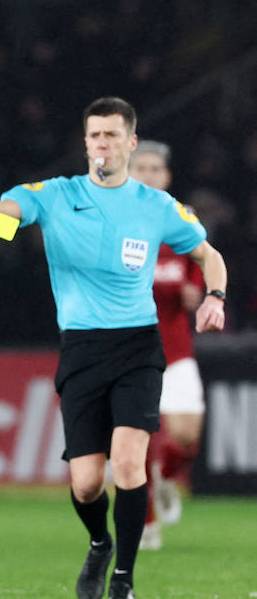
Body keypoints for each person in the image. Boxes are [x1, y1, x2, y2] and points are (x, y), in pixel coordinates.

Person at [0, 97, 227, 599]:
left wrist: (215, 297)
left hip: (138, 346)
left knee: (129, 467)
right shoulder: (57, 195)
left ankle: (124, 580)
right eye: (93, 136)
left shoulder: (155, 206)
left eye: (111, 136)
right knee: (86, 484)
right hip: (82, 350)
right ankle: (100, 543)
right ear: (85, 143)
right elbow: (8, 218)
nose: (101, 145)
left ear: (130, 142)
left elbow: (208, 254)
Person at [128, 140, 210, 549]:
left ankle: (165, 477)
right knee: (134, 438)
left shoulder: (182, 222)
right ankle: (146, 523)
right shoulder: (118, 221)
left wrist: (200, 292)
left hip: (176, 347)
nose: (147, 174)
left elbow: (200, 264)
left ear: (167, 177)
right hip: (130, 348)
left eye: (154, 168)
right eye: (139, 167)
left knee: (186, 436)